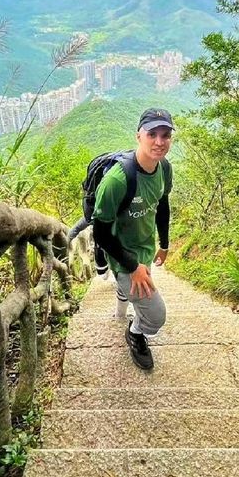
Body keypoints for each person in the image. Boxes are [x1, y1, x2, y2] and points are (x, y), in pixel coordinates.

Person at [91, 108, 173, 370]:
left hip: (145, 248)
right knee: (156, 317)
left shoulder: (164, 168)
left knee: (136, 289)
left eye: (165, 135)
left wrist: (164, 243)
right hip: (122, 254)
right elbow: (100, 233)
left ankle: (123, 292)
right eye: (152, 134)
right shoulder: (117, 181)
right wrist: (132, 267)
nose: (159, 142)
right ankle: (136, 332)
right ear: (139, 136)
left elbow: (162, 203)